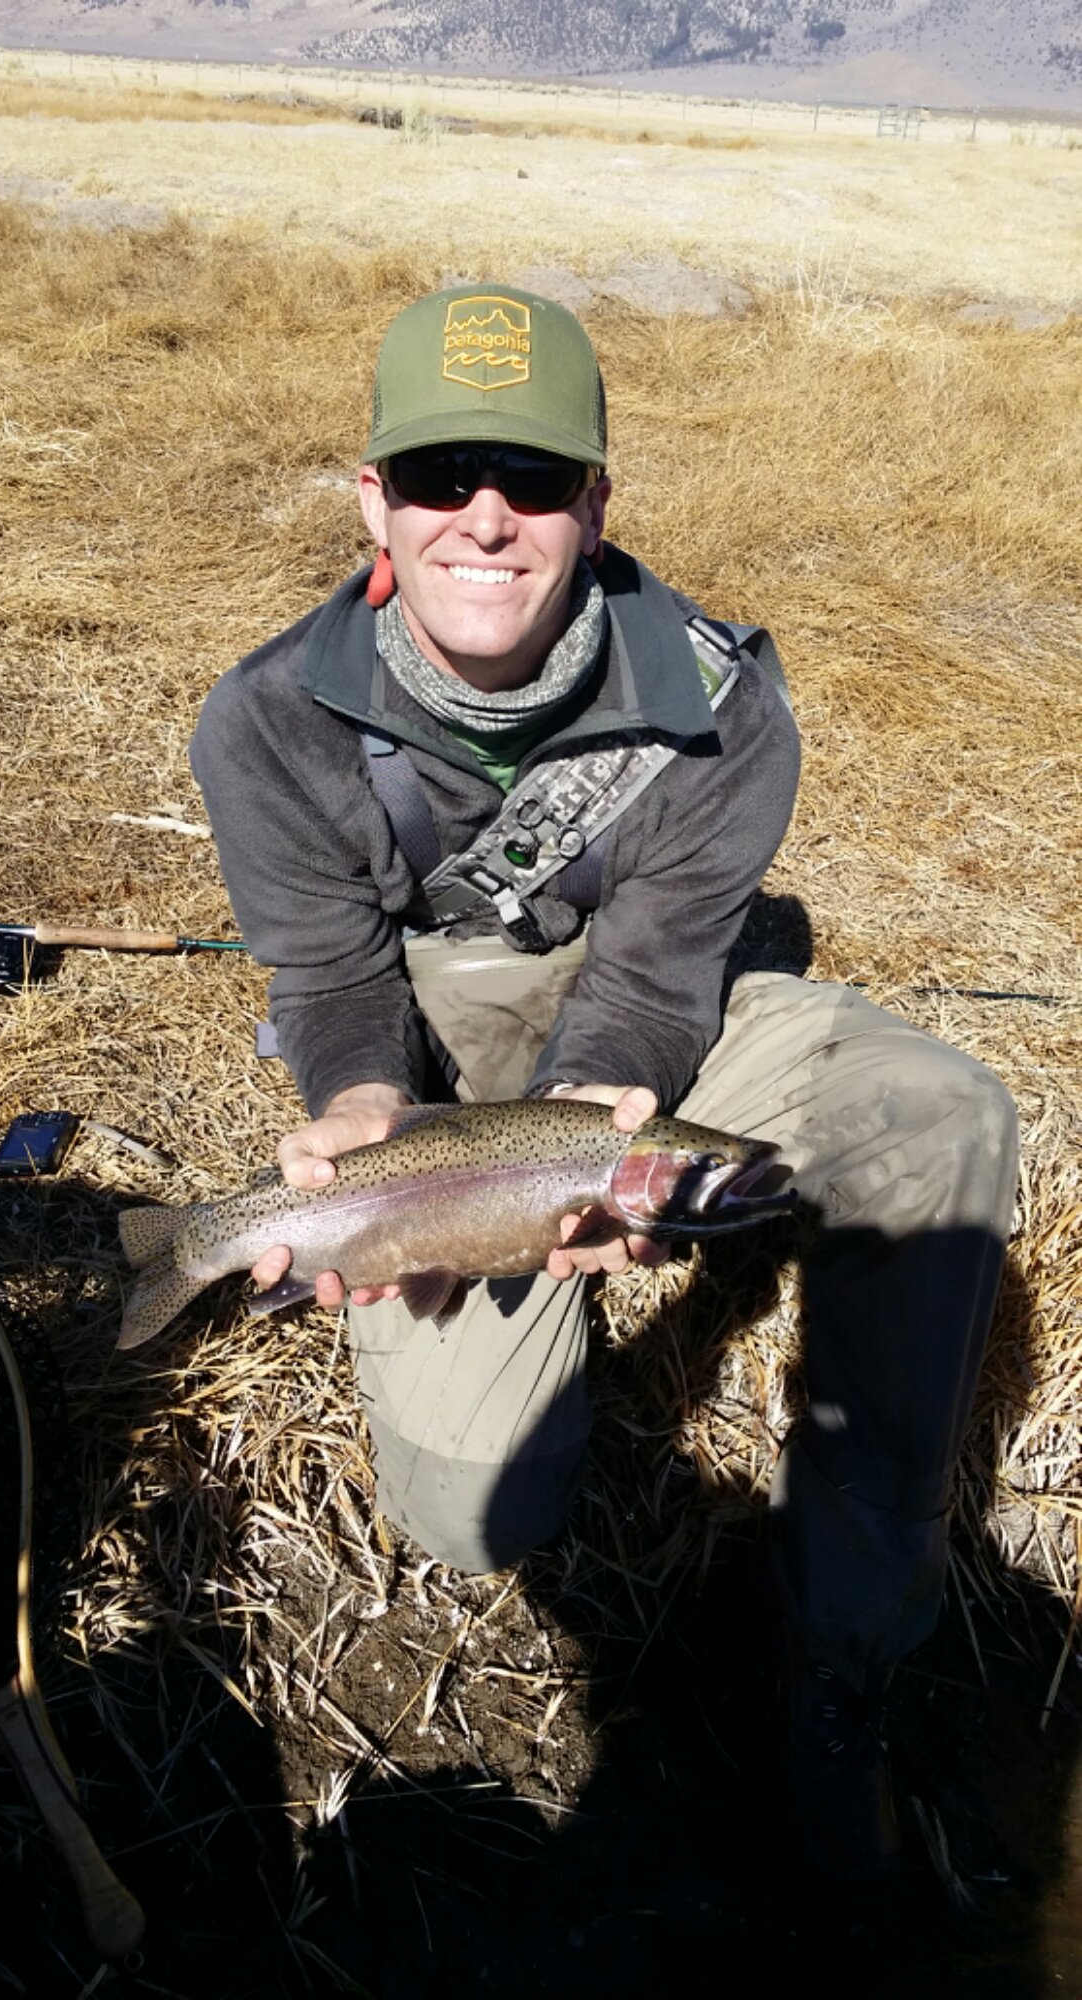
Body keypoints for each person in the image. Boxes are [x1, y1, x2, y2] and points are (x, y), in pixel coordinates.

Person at [189, 284, 1019, 1887]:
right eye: (438, 478)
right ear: (374, 498)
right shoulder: (270, 719)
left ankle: (848, 1638)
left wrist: (591, 1131)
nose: (483, 519)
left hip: (642, 1051)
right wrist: (365, 1108)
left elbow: (656, 977)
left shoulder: (718, 699)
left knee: (942, 1115)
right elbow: (332, 981)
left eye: (532, 479)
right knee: (479, 1517)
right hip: (431, 1069)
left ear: (596, 502)